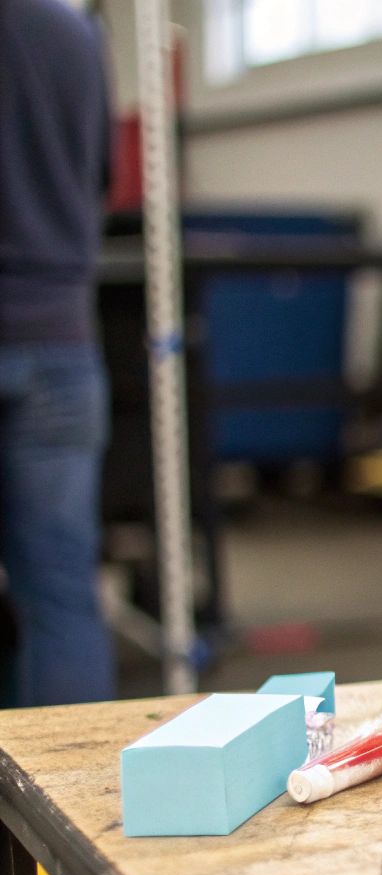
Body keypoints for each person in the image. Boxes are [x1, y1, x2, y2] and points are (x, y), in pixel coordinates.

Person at [0, 0, 117, 705]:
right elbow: (101, 175)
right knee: (64, 597)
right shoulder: (74, 35)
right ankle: (66, 800)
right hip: (60, 341)